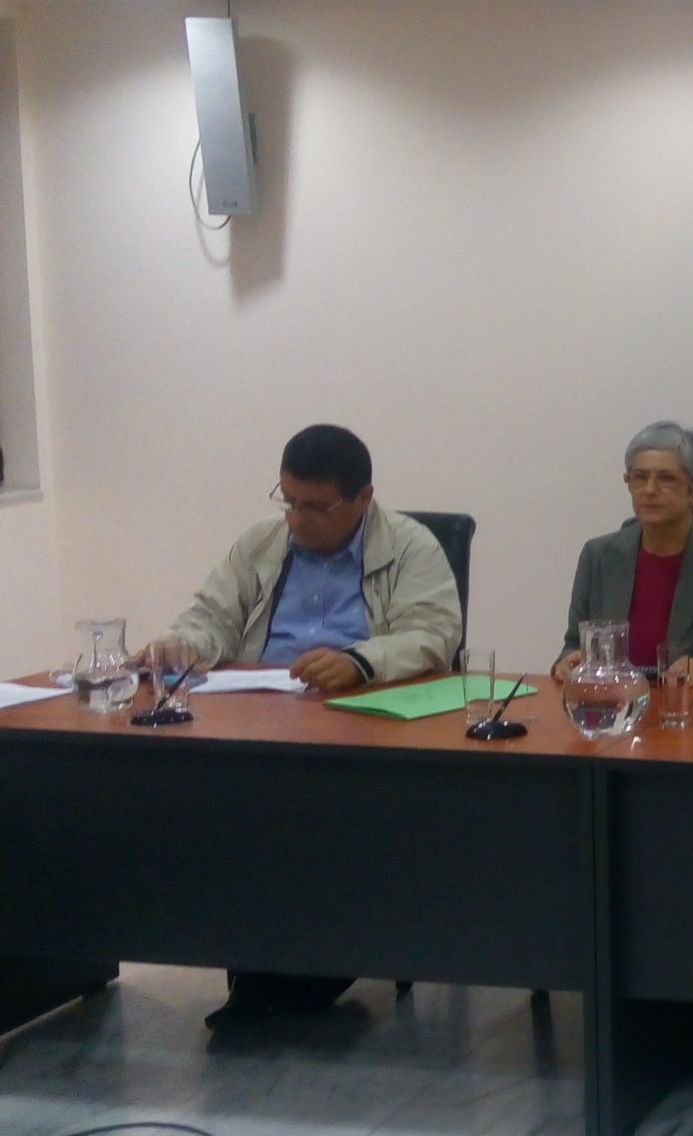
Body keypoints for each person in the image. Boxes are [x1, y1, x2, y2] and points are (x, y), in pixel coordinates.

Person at [143, 423, 463, 1031]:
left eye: (316, 507)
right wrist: (183, 645)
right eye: (288, 501)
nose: (297, 519)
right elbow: (211, 616)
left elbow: (433, 634)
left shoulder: (411, 546)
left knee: (311, 813)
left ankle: (303, 973)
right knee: (226, 811)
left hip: (362, 720)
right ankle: (262, 974)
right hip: (260, 715)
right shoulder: (261, 543)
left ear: (364, 497)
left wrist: (361, 660)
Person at [554, 421, 693, 686]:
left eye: (666, 478)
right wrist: (567, 663)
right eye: (639, 477)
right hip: (611, 701)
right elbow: (574, 644)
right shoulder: (597, 556)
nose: (650, 490)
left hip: (692, 703)